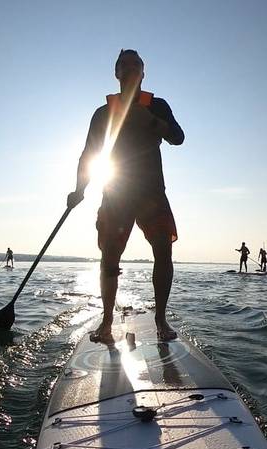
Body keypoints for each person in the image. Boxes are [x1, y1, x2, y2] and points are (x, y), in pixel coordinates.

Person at [67, 49, 185, 343]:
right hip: (117, 193)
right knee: (109, 257)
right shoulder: (103, 113)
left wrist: (151, 122)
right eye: (125, 64)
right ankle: (106, 323)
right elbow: (89, 154)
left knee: (163, 252)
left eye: (137, 64)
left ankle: (161, 320)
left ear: (143, 73)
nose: (131, 68)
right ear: (116, 72)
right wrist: (79, 189)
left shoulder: (157, 105)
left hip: (152, 193)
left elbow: (178, 137)